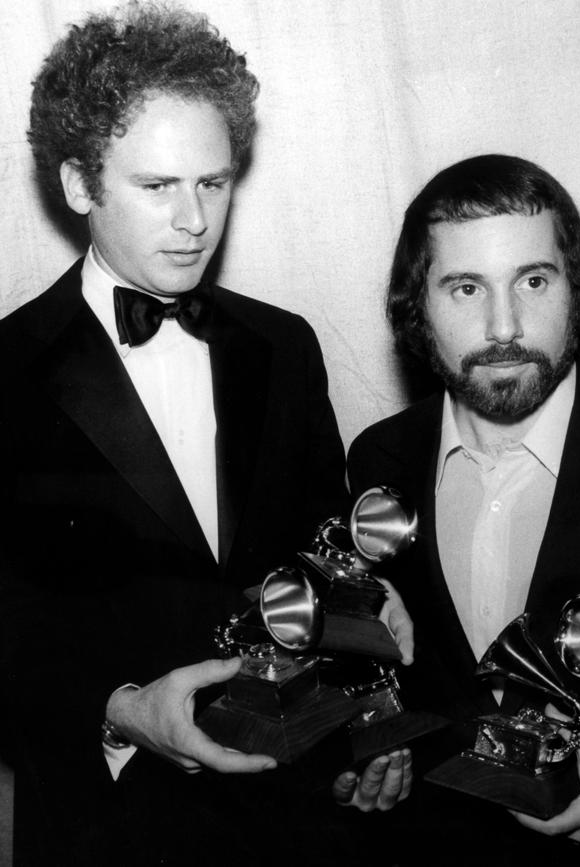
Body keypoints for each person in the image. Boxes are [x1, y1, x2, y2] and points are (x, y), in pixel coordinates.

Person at [0, 3, 412, 864]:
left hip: (293, 815)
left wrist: (370, 695)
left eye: (213, 182)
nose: (194, 220)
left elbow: (320, 559)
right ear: (79, 184)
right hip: (106, 826)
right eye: (158, 186)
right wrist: (119, 708)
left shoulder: (286, 345)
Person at [347, 154, 580, 865]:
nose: (504, 324)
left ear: (578, 290)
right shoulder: (378, 460)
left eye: (534, 281)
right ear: (416, 306)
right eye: (464, 287)